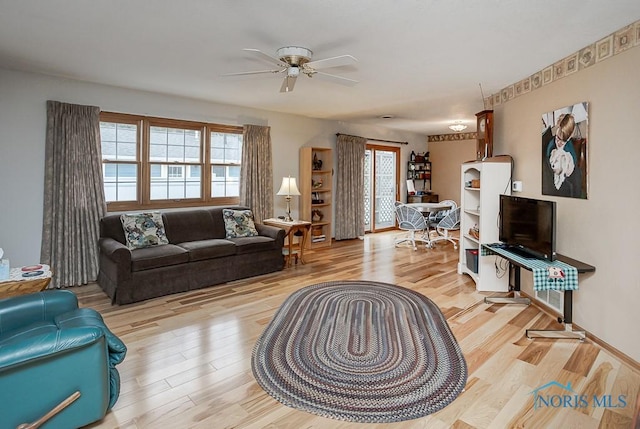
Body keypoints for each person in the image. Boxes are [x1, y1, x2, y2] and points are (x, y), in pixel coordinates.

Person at [543, 113, 582, 197]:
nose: (559, 143)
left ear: (569, 138)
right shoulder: (549, 145)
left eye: (563, 141)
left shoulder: (570, 155)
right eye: (558, 138)